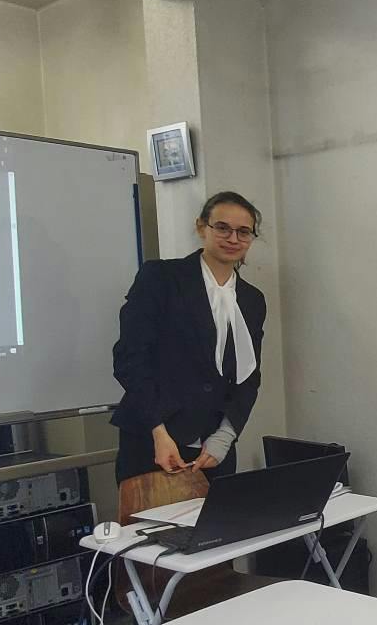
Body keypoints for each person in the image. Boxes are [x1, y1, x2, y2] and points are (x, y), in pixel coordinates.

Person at [109, 190, 267, 483]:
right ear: (201, 227)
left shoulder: (252, 299)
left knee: (218, 514)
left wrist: (226, 435)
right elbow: (130, 359)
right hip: (154, 441)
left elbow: (249, 376)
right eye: (223, 228)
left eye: (243, 232)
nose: (233, 239)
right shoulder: (161, 278)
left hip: (213, 449)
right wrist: (158, 431)